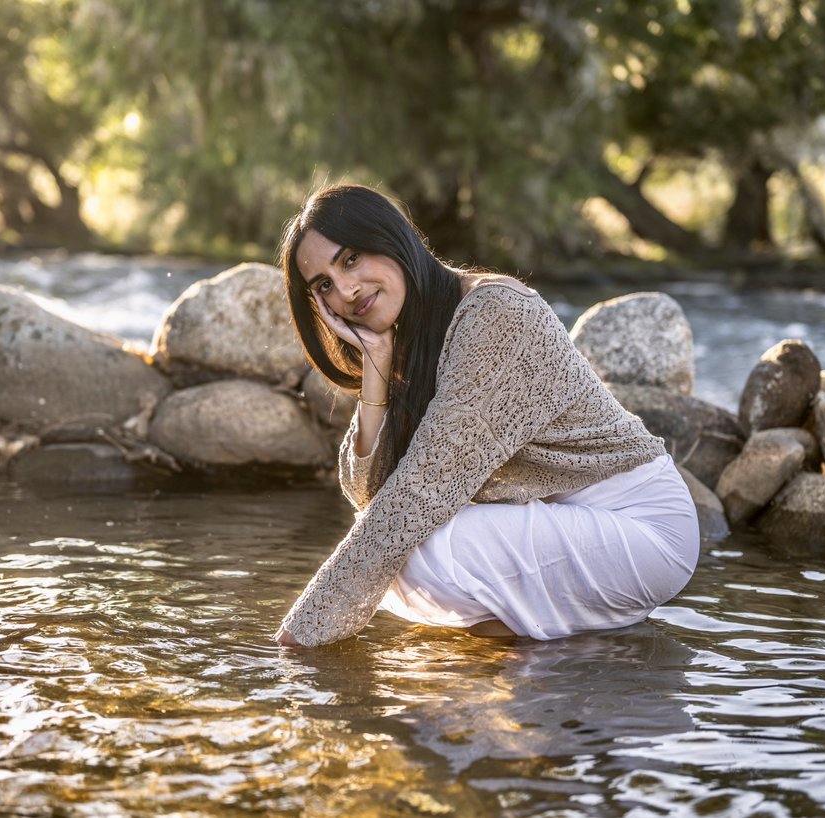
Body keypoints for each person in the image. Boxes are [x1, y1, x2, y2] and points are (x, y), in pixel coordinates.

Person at [274, 184, 698, 647]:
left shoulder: (493, 313)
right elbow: (367, 496)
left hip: (642, 526)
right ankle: (556, 644)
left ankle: (550, 634)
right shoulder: (409, 338)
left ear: (390, 237)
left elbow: (418, 492)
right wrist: (376, 369)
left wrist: (298, 638)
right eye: (324, 286)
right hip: (572, 522)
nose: (347, 290)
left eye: (350, 259)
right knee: (391, 546)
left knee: (416, 549)